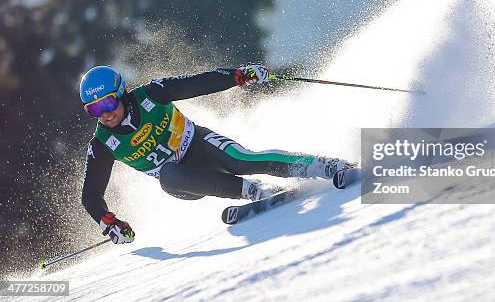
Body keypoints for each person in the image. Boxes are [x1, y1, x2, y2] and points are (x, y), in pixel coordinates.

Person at [80, 64, 354, 244]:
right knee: (168, 174)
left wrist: (238, 76)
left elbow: (198, 82)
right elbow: (91, 196)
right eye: (94, 109)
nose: (105, 114)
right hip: (185, 180)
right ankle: (255, 191)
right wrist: (110, 223)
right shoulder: (102, 143)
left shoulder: (151, 94)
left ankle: (325, 165)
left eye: (107, 102)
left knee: (243, 159)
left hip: (199, 142)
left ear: (121, 93)